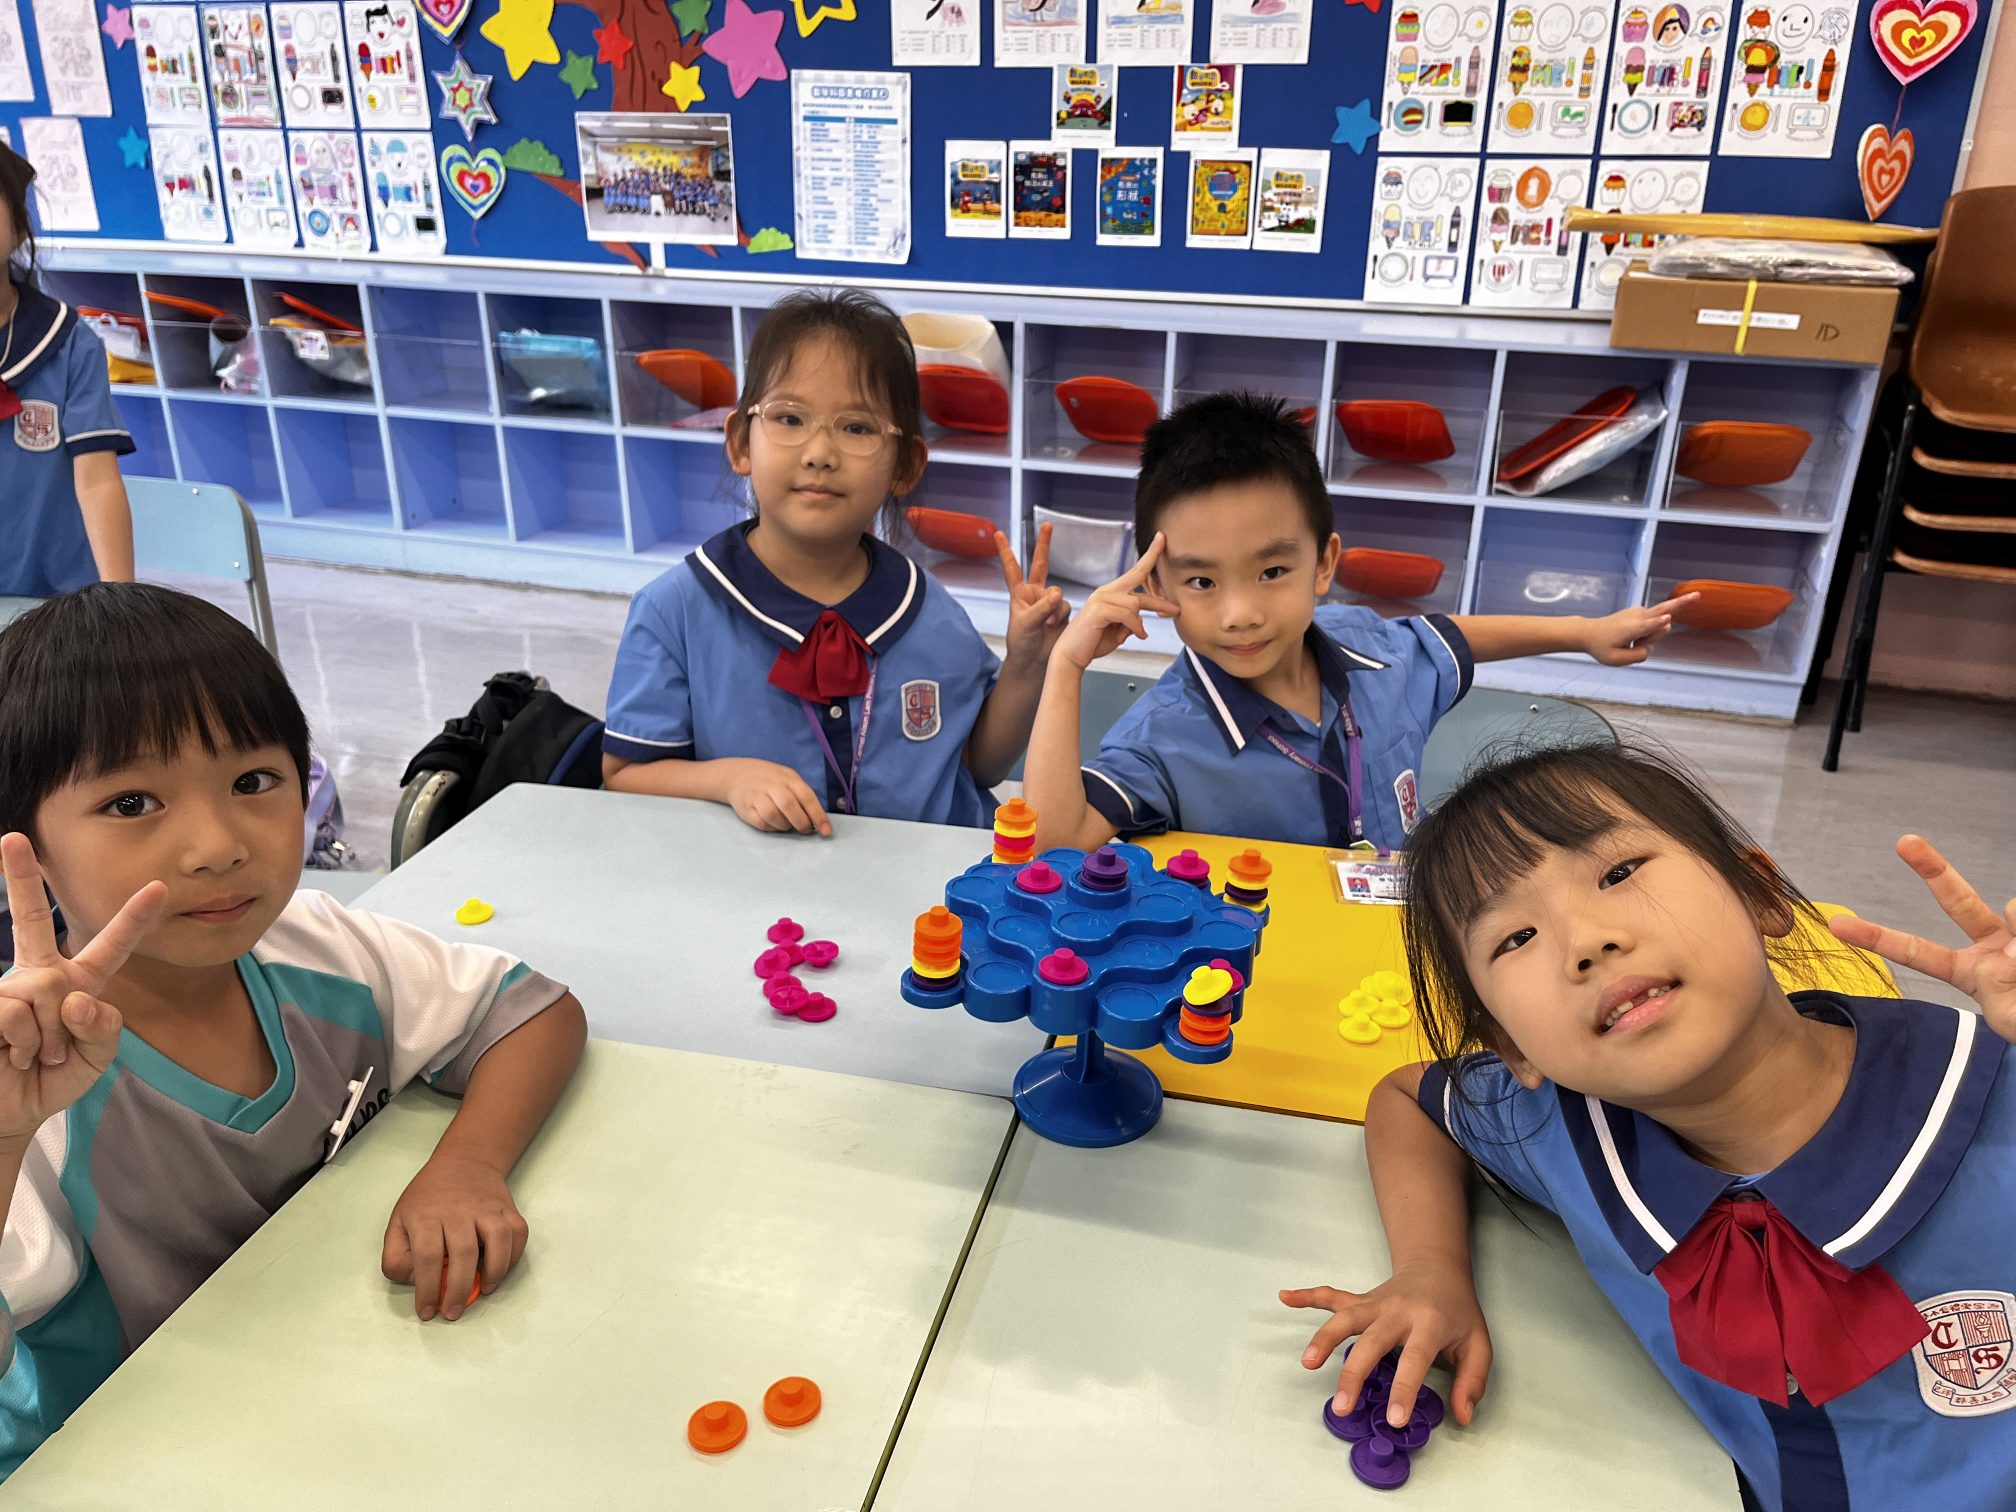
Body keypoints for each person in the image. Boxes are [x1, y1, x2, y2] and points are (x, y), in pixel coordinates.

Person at [1280, 743, 2016, 1511]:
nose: (1586, 942)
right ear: (1513, 1049)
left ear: (1760, 897)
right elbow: (1407, 1099)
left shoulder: (1991, 1107)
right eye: (1515, 938)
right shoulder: (1563, 1128)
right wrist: (1431, 1271)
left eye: (1619, 873)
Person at [0, 584, 587, 1476]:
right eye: (132, 803)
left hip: (349, 1407)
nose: (218, 846)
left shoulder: (317, 943)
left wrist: (466, 1167)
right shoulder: (25, 1084)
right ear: (27, 844)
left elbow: (529, 1013)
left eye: (253, 782)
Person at [1023, 391, 1693, 852]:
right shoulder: (1162, 736)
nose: (1241, 613)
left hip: (1400, 951)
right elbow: (1051, 847)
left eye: (1272, 571)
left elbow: (1449, 637)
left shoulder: (1369, 648)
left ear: (1323, 564)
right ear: (1155, 587)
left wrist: (1582, 634)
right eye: (1202, 582)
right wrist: (1065, 666)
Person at [602, 287, 1069, 833]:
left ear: (905, 465)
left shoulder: (930, 610)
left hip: (930, 878)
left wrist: (1026, 664)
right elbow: (626, 772)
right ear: (741, 443)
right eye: (789, 418)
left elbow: (980, 766)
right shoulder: (673, 610)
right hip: (755, 878)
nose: (820, 453)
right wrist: (729, 779)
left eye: (857, 428)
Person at [0, 144, 135, 599]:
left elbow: (97, 480)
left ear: (18, 229)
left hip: (59, 607)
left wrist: (121, 606)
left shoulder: (68, 341)